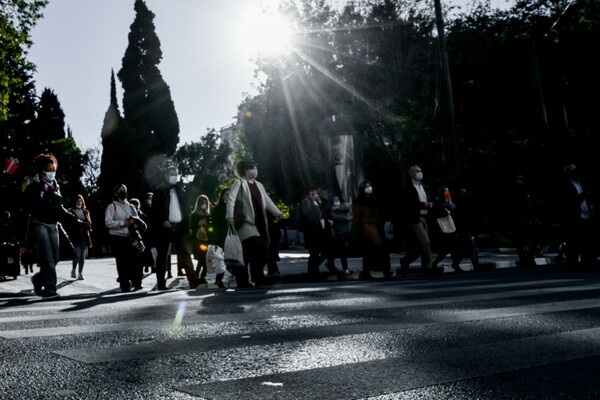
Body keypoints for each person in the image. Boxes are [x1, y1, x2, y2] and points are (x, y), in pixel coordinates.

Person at [24, 153, 83, 299]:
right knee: (48, 259)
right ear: (41, 169)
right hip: (40, 225)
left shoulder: (56, 186)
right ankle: (50, 289)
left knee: (55, 258)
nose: (51, 172)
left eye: (53, 169)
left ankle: (38, 279)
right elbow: (31, 208)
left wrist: (74, 219)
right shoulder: (33, 186)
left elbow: (59, 208)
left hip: (53, 225)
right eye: (48, 169)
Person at [226, 160, 284, 288]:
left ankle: (252, 277)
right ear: (246, 170)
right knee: (256, 246)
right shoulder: (239, 183)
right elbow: (231, 198)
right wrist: (230, 216)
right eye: (253, 167)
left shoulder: (259, 185)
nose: (255, 169)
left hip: (260, 224)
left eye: (255, 167)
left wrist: (278, 213)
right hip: (245, 222)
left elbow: (267, 201)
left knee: (259, 251)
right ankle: (250, 278)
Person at [151, 166, 198, 290]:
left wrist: (188, 225)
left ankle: (193, 281)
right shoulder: (159, 190)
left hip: (180, 227)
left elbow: (186, 208)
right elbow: (155, 209)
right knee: (162, 256)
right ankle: (161, 284)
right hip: (165, 228)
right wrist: (163, 220)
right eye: (171, 174)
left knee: (185, 254)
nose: (174, 176)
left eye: (175, 174)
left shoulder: (180, 189)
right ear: (166, 175)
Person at [398, 165, 441, 277]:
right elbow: (407, 203)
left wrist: (430, 203)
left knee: (423, 244)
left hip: (425, 217)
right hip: (414, 218)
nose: (420, 173)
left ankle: (406, 261)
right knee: (425, 242)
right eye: (417, 171)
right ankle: (428, 267)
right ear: (411, 174)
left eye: (420, 171)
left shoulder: (423, 186)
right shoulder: (408, 187)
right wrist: (423, 205)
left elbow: (427, 197)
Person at [105, 184, 147, 292]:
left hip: (130, 237)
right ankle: (124, 284)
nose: (123, 192)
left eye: (124, 190)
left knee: (135, 260)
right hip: (117, 237)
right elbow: (108, 223)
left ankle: (136, 282)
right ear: (116, 193)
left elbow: (137, 220)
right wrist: (123, 223)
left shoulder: (130, 207)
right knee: (122, 262)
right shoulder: (112, 207)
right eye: (120, 190)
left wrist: (135, 223)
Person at [557, 164, 596, 269]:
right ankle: (573, 262)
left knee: (586, 240)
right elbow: (566, 202)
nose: (575, 173)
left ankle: (587, 261)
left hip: (586, 213)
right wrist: (580, 197)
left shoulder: (581, 183)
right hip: (574, 216)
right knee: (575, 240)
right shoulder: (564, 185)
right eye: (572, 171)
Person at [352, 180, 393, 280]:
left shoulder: (373, 199)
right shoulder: (359, 201)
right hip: (366, 229)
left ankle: (382, 270)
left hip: (375, 228)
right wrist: (354, 233)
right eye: (366, 186)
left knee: (379, 250)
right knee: (369, 251)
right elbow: (356, 218)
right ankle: (370, 272)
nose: (369, 188)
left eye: (370, 186)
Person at [300, 185, 343, 281]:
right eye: (316, 192)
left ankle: (315, 270)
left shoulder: (317, 202)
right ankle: (313, 272)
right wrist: (317, 224)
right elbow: (308, 216)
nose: (318, 194)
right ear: (311, 192)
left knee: (326, 250)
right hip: (313, 232)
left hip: (321, 231)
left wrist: (325, 222)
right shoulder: (306, 201)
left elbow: (321, 215)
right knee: (314, 253)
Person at [506, 174, 537, 268]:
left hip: (526, 218)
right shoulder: (515, 190)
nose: (520, 180)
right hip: (520, 219)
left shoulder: (524, 189)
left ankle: (528, 259)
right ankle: (525, 259)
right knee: (522, 241)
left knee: (530, 240)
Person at [430, 186, 464, 273]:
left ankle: (454, 264)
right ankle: (452, 264)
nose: (446, 193)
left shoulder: (450, 200)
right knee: (449, 247)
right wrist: (446, 211)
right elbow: (437, 212)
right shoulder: (439, 201)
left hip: (452, 226)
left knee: (452, 247)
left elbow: (455, 209)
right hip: (444, 227)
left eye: (447, 191)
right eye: (445, 191)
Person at [67, 194, 92, 280]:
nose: (79, 202)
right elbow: (69, 224)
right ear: (74, 202)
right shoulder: (70, 211)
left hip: (84, 235)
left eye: (80, 200)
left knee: (82, 256)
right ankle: (73, 269)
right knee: (77, 254)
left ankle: (80, 273)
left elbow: (89, 223)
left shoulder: (86, 212)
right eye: (77, 201)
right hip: (75, 236)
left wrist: (86, 224)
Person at [327, 195, 353, 276]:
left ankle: (331, 263)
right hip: (338, 232)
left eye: (337, 199)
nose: (336, 200)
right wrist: (345, 218)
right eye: (335, 199)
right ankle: (345, 269)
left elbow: (348, 209)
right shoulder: (331, 209)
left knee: (340, 250)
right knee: (343, 250)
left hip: (346, 231)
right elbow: (335, 217)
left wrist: (339, 209)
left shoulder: (342, 207)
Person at [190, 194, 212, 285]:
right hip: (198, 240)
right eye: (202, 202)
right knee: (202, 258)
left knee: (205, 258)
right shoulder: (194, 215)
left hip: (207, 239)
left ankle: (200, 275)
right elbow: (192, 228)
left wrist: (208, 225)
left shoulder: (208, 214)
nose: (204, 204)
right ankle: (199, 275)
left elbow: (211, 228)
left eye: (205, 202)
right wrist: (198, 224)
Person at [211, 187, 230, 288]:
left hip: (231, 235)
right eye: (226, 194)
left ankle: (219, 279)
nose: (228, 196)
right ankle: (218, 279)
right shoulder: (219, 207)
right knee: (222, 258)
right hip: (222, 236)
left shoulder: (232, 205)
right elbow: (216, 222)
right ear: (222, 196)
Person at [140, 192, 157, 273]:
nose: (150, 200)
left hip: (154, 231)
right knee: (146, 250)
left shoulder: (155, 207)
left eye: (152, 198)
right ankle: (146, 265)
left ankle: (153, 266)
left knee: (153, 250)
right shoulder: (143, 208)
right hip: (146, 231)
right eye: (149, 198)